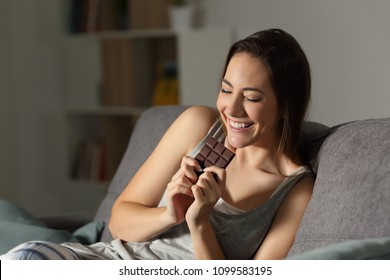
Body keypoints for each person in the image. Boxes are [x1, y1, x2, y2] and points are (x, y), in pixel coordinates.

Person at [1, 28, 314, 260]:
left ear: (286, 105)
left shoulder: (293, 190)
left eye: (251, 97)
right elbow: (120, 221)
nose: (231, 109)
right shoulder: (201, 126)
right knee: (24, 259)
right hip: (103, 261)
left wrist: (200, 221)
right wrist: (170, 214)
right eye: (226, 89)